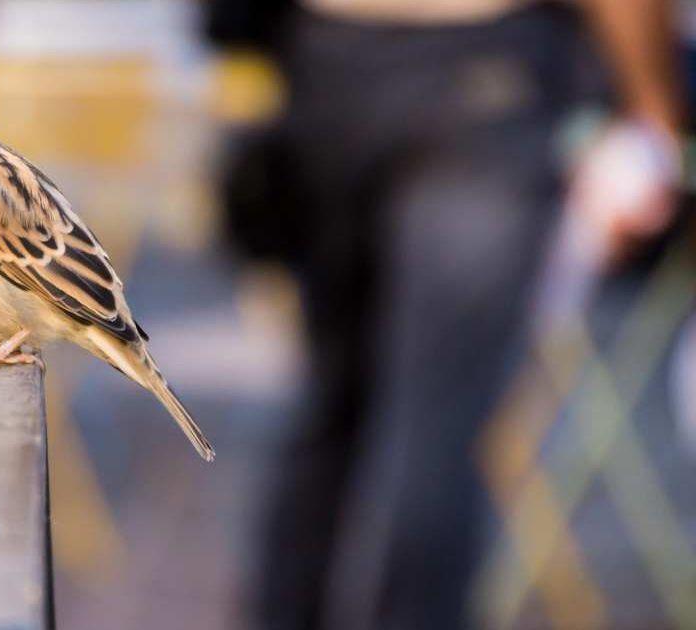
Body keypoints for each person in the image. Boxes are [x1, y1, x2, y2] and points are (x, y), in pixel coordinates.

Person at [207, 0, 685, 628]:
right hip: (478, 74)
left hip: (328, 61)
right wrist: (655, 113)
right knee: (432, 432)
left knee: (335, 406)